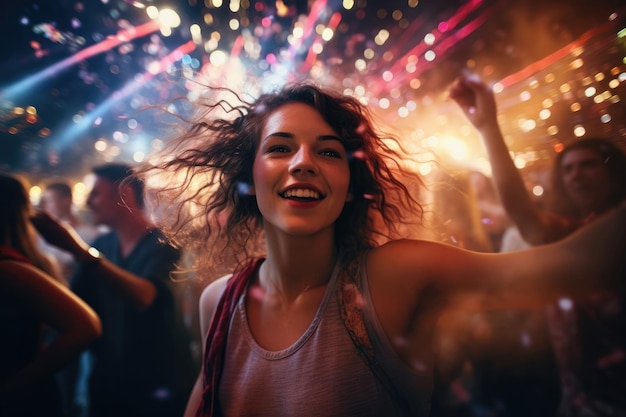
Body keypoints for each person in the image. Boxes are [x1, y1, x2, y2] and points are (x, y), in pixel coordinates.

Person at [138, 82, 625, 417]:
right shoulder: (219, 302)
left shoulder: (394, 277)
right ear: (250, 177)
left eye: (328, 151)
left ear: (350, 187)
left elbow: (578, 266)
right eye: (280, 147)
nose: (304, 162)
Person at [449, 74, 626, 416]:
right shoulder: (574, 233)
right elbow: (525, 217)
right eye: (569, 169)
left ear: (614, 172)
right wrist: (487, 128)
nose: (576, 175)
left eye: (588, 165)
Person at [32, 163, 195, 417]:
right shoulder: (102, 245)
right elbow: (72, 308)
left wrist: (80, 253)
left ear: (124, 193)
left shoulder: (166, 244)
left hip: (160, 388)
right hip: (108, 388)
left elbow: (147, 297)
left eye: (95, 192)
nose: (88, 202)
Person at [0, 173, 101, 417]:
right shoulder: (28, 260)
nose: (47, 206)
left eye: (51, 200)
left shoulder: (9, 267)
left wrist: (12, 388)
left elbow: (86, 325)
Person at [39, 181, 103, 417]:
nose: (49, 206)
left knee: (81, 372)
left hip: (81, 307)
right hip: (49, 312)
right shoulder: (41, 237)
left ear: (67, 200)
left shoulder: (90, 234)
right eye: (46, 201)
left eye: (53, 199)